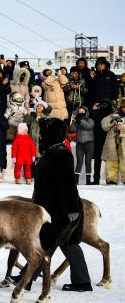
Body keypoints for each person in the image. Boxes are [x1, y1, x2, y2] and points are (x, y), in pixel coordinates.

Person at [21, 118, 92, 292]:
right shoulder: (52, 153)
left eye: (44, 133)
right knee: (68, 245)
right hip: (51, 209)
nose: (40, 137)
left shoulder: (61, 154)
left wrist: (73, 212)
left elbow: (67, 186)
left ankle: (27, 278)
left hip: (61, 211)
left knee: (46, 244)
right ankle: (82, 282)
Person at [99, 97, 125, 185]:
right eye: (123, 107)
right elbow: (104, 126)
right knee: (111, 160)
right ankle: (111, 179)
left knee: (124, 160)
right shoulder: (113, 115)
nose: (124, 109)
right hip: (112, 142)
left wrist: (123, 127)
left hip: (123, 142)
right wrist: (113, 121)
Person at [69, 106, 95, 185]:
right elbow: (72, 129)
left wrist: (81, 120)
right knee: (79, 161)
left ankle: (88, 181)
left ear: (86, 112)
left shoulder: (90, 120)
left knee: (88, 161)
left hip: (89, 143)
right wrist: (72, 120)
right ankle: (76, 181)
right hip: (79, 143)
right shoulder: (77, 121)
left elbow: (88, 126)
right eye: (79, 112)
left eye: (82, 112)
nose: (81, 113)